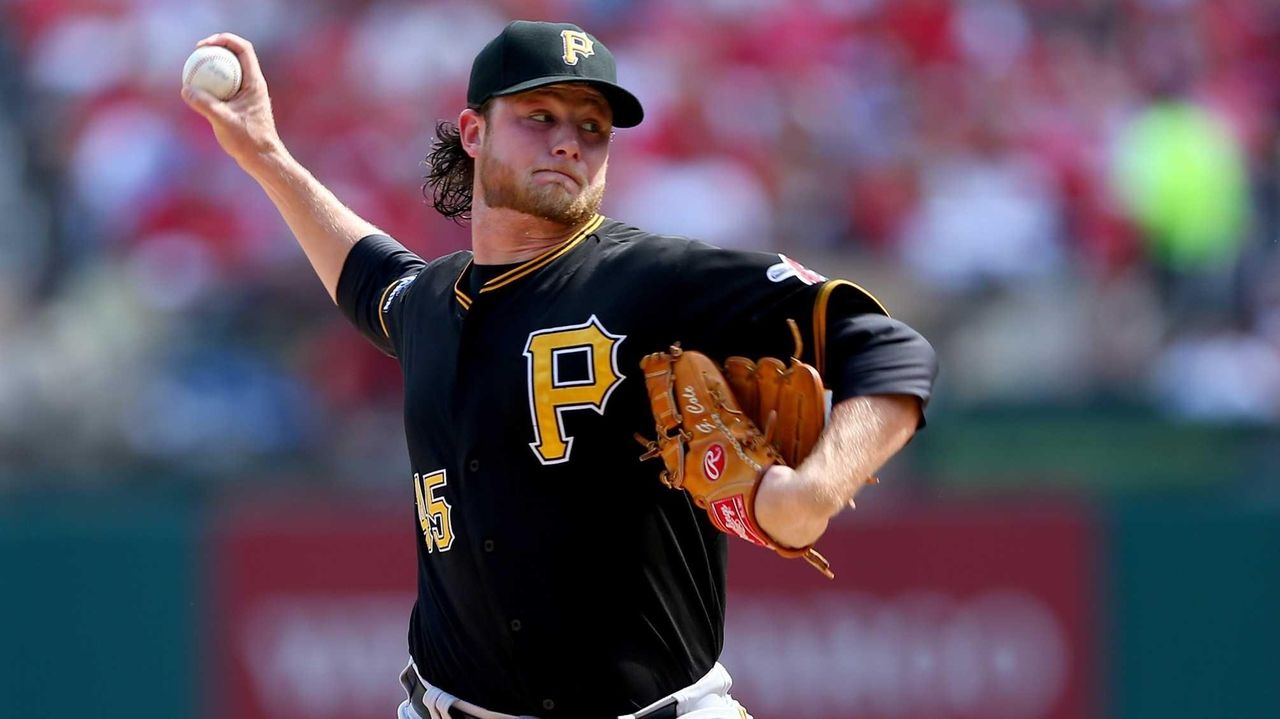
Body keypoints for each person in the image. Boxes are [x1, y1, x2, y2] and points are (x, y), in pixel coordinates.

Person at [182, 20, 937, 719]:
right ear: (474, 132)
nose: (569, 142)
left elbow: (890, 347)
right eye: (539, 117)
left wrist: (815, 489)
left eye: (592, 128)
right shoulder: (430, 304)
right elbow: (369, 277)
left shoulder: (657, 281)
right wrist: (265, 155)